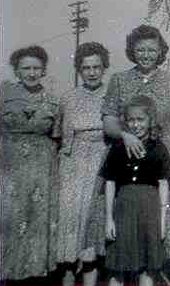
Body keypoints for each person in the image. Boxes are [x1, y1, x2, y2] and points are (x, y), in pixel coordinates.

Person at [102, 24, 170, 259]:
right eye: (140, 50)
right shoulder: (119, 80)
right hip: (128, 165)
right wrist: (124, 134)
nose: (146, 55)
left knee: (162, 227)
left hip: (161, 161)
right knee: (127, 230)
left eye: (152, 50)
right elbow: (108, 121)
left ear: (160, 51)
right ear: (132, 51)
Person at [0, 45, 60, 281]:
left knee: (36, 226)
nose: (32, 73)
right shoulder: (3, 96)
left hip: (41, 175)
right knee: (9, 224)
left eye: (37, 68)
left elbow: (57, 137)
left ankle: (35, 277)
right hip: (8, 172)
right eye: (26, 68)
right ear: (16, 70)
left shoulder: (53, 101)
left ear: (44, 70)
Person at [103, 95, 170, 286]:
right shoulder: (117, 148)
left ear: (150, 120)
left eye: (140, 119)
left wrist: (161, 220)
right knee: (118, 265)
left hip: (150, 211)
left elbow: (163, 184)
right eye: (131, 120)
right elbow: (110, 183)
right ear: (125, 122)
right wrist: (109, 219)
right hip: (124, 211)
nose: (136, 125)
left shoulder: (158, 148)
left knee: (147, 265)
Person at [57, 42, 110, 286]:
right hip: (74, 166)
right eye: (86, 67)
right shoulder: (67, 98)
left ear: (104, 68)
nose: (91, 72)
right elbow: (61, 138)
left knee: (93, 224)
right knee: (70, 226)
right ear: (79, 69)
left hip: (102, 164)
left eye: (96, 67)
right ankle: (68, 272)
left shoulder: (112, 95)